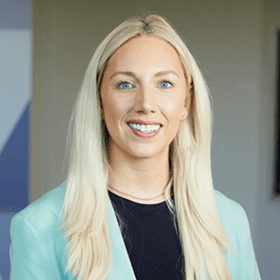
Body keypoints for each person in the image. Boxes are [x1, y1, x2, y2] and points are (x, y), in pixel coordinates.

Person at [9, 14, 262, 280]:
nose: (145, 103)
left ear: (186, 103)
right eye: (125, 84)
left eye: (164, 83)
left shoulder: (229, 221)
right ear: (99, 101)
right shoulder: (40, 227)